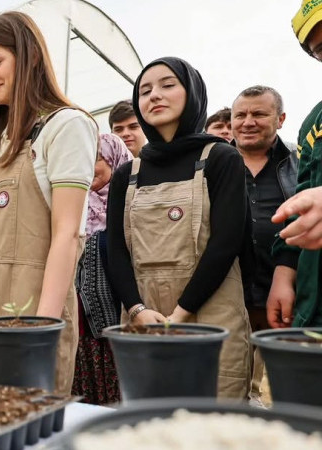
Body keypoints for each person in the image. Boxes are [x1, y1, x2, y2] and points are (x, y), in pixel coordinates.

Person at [0, 11, 98, 398]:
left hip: (28, 312)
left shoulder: (65, 126)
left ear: (29, 58)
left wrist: (40, 328)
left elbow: (66, 234)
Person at [106, 57, 252, 399]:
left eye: (167, 85)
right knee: (150, 419)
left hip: (211, 310)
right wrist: (137, 309)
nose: (154, 95)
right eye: (145, 90)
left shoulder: (221, 158)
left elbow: (227, 242)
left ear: (193, 93)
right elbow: (115, 249)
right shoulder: (126, 174)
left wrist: (182, 312)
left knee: (215, 419)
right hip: (145, 315)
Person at [230, 85, 297, 402]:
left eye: (259, 113)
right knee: (230, 384)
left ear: (280, 118)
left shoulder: (301, 165)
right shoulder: (213, 167)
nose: (248, 121)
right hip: (229, 294)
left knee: (287, 385)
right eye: (240, 115)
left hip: (285, 293)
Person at [268, 1, 322, 328]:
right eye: (321, 49)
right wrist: (284, 272)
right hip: (313, 309)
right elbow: (302, 199)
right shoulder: (313, 124)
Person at [72, 133, 131, 405]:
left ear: (114, 159)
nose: (86, 165)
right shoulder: (73, 205)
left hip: (119, 329)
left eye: (95, 158)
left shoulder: (131, 203)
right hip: (80, 330)